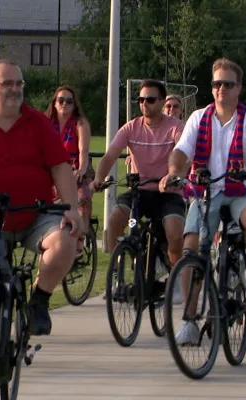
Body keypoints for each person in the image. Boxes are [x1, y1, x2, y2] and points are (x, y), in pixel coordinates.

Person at [160, 59, 246, 343]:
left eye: (228, 84)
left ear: (239, 88)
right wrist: (174, 171)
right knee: (190, 250)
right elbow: (182, 149)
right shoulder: (199, 117)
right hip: (206, 190)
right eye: (217, 84)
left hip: (241, 187)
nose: (221, 88)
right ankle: (189, 320)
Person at [0, 60, 81, 335]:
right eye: (7, 84)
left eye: (19, 83)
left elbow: (60, 167)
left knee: (64, 240)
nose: (15, 89)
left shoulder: (37, 122)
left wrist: (72, 209)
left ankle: (39, 300)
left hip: (34, 215)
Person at [91, 79, 186, 302]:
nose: (144, 104)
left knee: (174, 232)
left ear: (162, 102)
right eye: (141, 99)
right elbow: (110, 155)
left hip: (167, 191)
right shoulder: (131, 127)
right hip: (139, 191)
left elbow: (181, 152)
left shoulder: (175, 127)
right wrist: (98, 178)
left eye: (150, 100)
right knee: (114, 221)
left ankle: (177, 278)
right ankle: (117, 277)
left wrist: (172, 175)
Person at [44, 86, 92, 255]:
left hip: (74, 168)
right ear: (54, 103)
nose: (65, 104)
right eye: (61, 100)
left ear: (74, 104)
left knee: (82, 198)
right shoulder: (47, 123)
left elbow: (83, 151)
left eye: (69, 101)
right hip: (51, 170)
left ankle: (80, 237)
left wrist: (81, 169)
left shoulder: (79, 123)